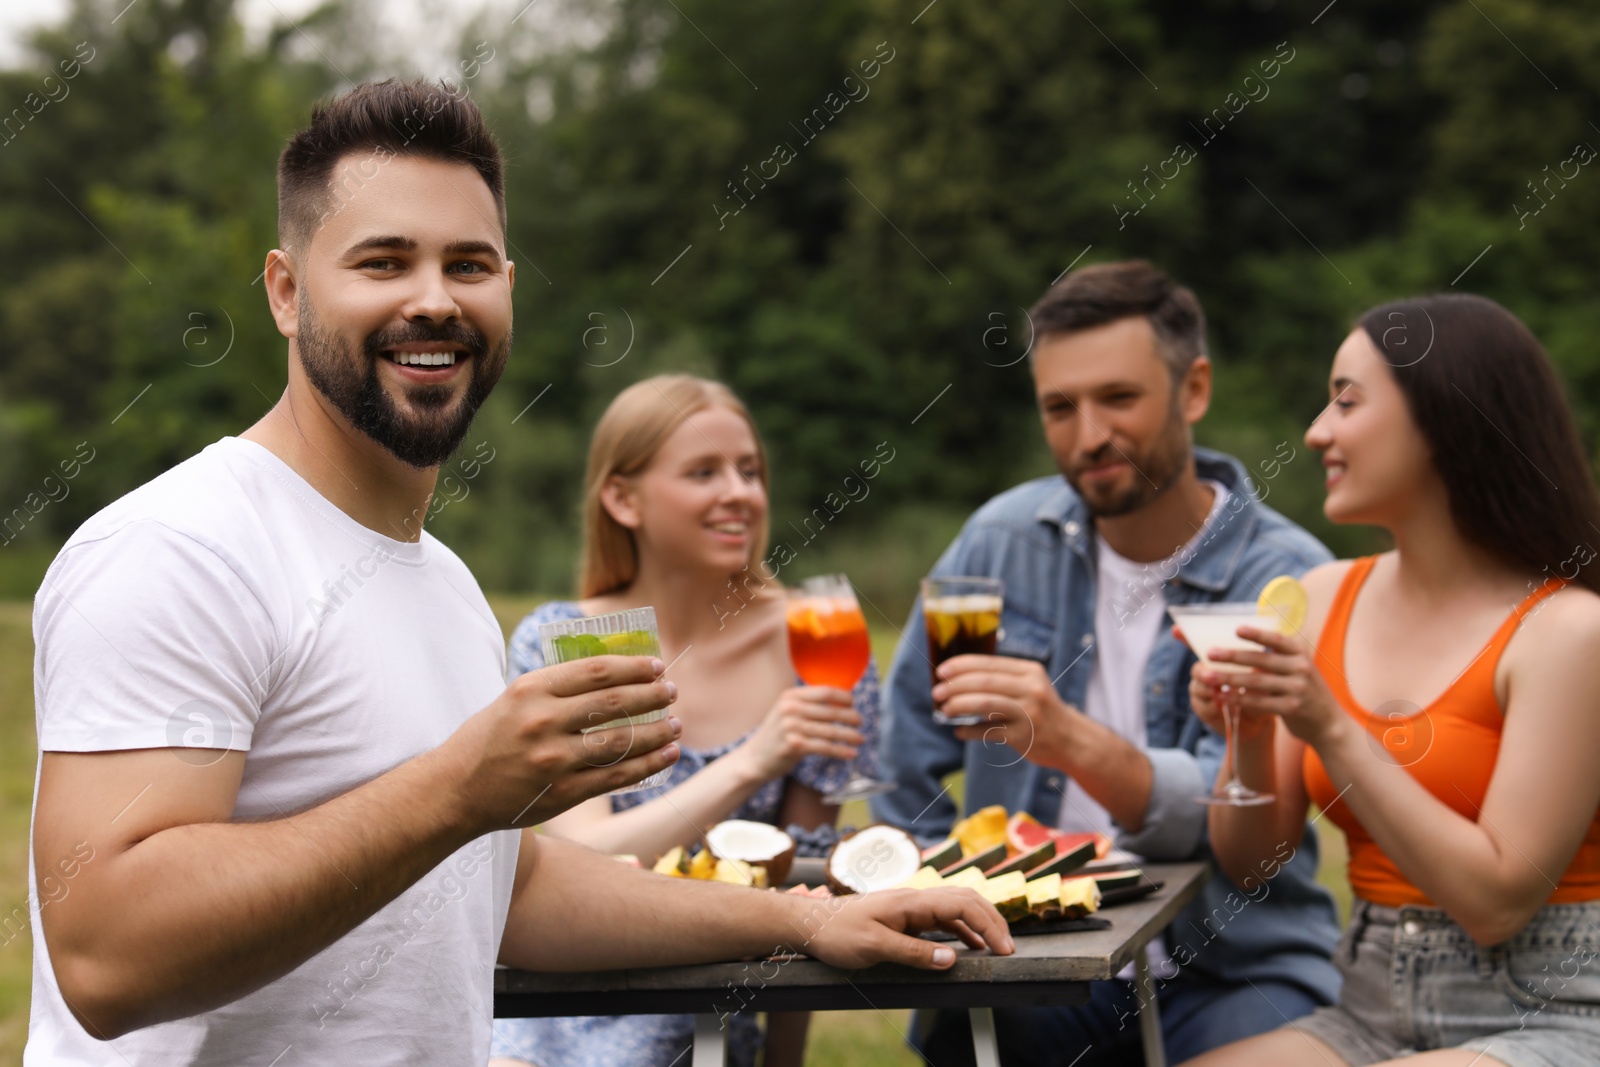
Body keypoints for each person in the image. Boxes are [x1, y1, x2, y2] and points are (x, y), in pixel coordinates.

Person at [23, 79, 1012, 1066]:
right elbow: (107, 956)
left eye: (469, 263)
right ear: (286, 291)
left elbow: (509, 887)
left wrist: (797, 922)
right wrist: (460, 787)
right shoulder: (181, 549)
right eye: (383, 260)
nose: (433, 298)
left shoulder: (447, 587)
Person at [872, 260, 1343, 1065]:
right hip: (1036, 958)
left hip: (1233, 966)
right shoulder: (1001, 540)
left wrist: (1066, 738)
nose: (1089, 435)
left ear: (1193, 390)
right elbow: (904, 745)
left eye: (1118, 399)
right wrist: (915, 882)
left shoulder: (1286, 577)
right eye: (1060, 406)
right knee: (969, 1035)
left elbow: (1238, 826)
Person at [1179, 294, 1600, 1067]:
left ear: (1445, 420)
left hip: (1559, 1013)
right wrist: (1250, 729)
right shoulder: (1326, 594)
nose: (1316, 431)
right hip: (1368, 1010)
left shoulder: (1569, 632)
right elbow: (1252, 863)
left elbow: (1496, 902)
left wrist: (1331, 727)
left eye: (1346, 401)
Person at [488, 374, 878, 1067]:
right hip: (561, 995)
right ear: (621, 497)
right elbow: (583, 862)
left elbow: (811, 889)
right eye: (704, 471)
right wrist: (753, 760)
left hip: (707, 1003)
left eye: (749, 470)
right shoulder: (572, 640)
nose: (740, 493)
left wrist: (784, 1063)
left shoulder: (813, 639)